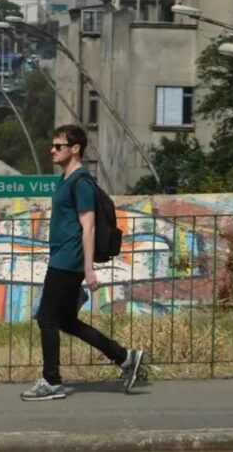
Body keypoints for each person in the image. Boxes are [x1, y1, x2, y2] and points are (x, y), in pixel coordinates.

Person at [21, 124, 144, 402]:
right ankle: (124, 357)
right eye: (52, 146)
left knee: (47, 318)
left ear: (75, 149)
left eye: (58, 146)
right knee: (66, 321)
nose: (52, 150)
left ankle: (51, 381)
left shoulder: (81, 182)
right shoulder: (65, 179)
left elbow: (88, 227)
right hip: (61, 256)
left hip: (69, 260)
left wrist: (88, 268)